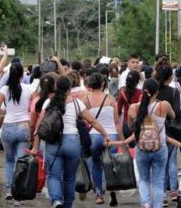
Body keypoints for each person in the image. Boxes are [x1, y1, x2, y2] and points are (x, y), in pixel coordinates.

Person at [30, 76, 111, 208]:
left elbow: (40, 127)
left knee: (54, 175)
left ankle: (56, 201)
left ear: (56, 88)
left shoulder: (48, 103)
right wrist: (105, 135)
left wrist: (35, 146)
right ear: (69, 89)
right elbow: (92, 121)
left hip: (53, 143)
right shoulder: (76, 103)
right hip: (72, 142)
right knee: (70, 177)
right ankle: (67, 205)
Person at [109, 79, 181, 208]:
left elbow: (130, 126)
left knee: (144, 179)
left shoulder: (134, 107)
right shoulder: (164, 105)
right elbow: (174, 116)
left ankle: (145, 203)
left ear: (143, 91)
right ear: (157, 92)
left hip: (141, 148)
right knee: (158, 181)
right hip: (160, 148)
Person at [0, 63, 35, 205]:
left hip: (8, 127)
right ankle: (18, 197)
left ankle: (9, 191)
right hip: (24, 126)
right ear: (21, 75)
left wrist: (7, 113)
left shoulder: (5, 89)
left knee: (9, 161)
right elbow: (36, 105)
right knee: (21, 162)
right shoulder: (29, 89)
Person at [80, 73, 123, 206]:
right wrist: (122, 140)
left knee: (96, 165)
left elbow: (83, 120)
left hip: (94, 136)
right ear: (103, 84)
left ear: (89, 85)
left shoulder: (85, 100)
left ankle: (98, 194)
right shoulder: (111, 99)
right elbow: (116, 121)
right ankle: (112, 191)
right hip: (111, 136)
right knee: (111, 165)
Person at [154, 65, 181, 205]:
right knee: (171, 161)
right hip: (171, 130)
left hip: (155, 129)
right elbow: (177, 112)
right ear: (170, 77)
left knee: (160, 164)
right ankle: (174, 191)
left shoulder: (154, 91)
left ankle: (163, 195)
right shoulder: (174, 92)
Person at [117, 70, 142, 141]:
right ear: (138, 81)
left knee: (126, 148)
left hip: (126, 124)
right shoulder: (141, 93)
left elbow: (118, 111)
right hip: (138, 124)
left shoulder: (122, 93)